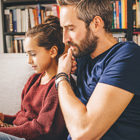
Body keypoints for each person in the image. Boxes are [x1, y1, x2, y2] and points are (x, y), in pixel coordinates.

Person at [55, 0, 140, 140]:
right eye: (63, 29)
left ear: (96, 24)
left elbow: (83, 133)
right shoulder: (83, 56)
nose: (65, 39)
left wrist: (62, 77)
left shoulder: (128, 56)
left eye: (70, 28)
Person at [0, 15, 71, 140]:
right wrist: (4, 118)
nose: (28, 61)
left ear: (53, 52)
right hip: (19, 134)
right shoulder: (33, 80)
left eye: (33, 54)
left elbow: (42, 129)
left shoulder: (58, 86)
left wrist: (3, 130)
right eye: (27, 54)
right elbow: (22, 116)